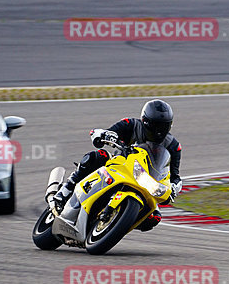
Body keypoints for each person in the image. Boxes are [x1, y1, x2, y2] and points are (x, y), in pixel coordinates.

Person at [52, 99, 183, 231]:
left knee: (154, 217)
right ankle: (65, 191)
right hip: (119, 166)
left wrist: (174, 188)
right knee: (97, 157)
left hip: (146, 182)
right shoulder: (131, 124)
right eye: (155, 125)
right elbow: (111, 132)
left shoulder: (173, 146)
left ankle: (117, 224)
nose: (158, 130)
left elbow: (175, 176)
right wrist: (104, 135)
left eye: (163, 126)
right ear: (145, 121)